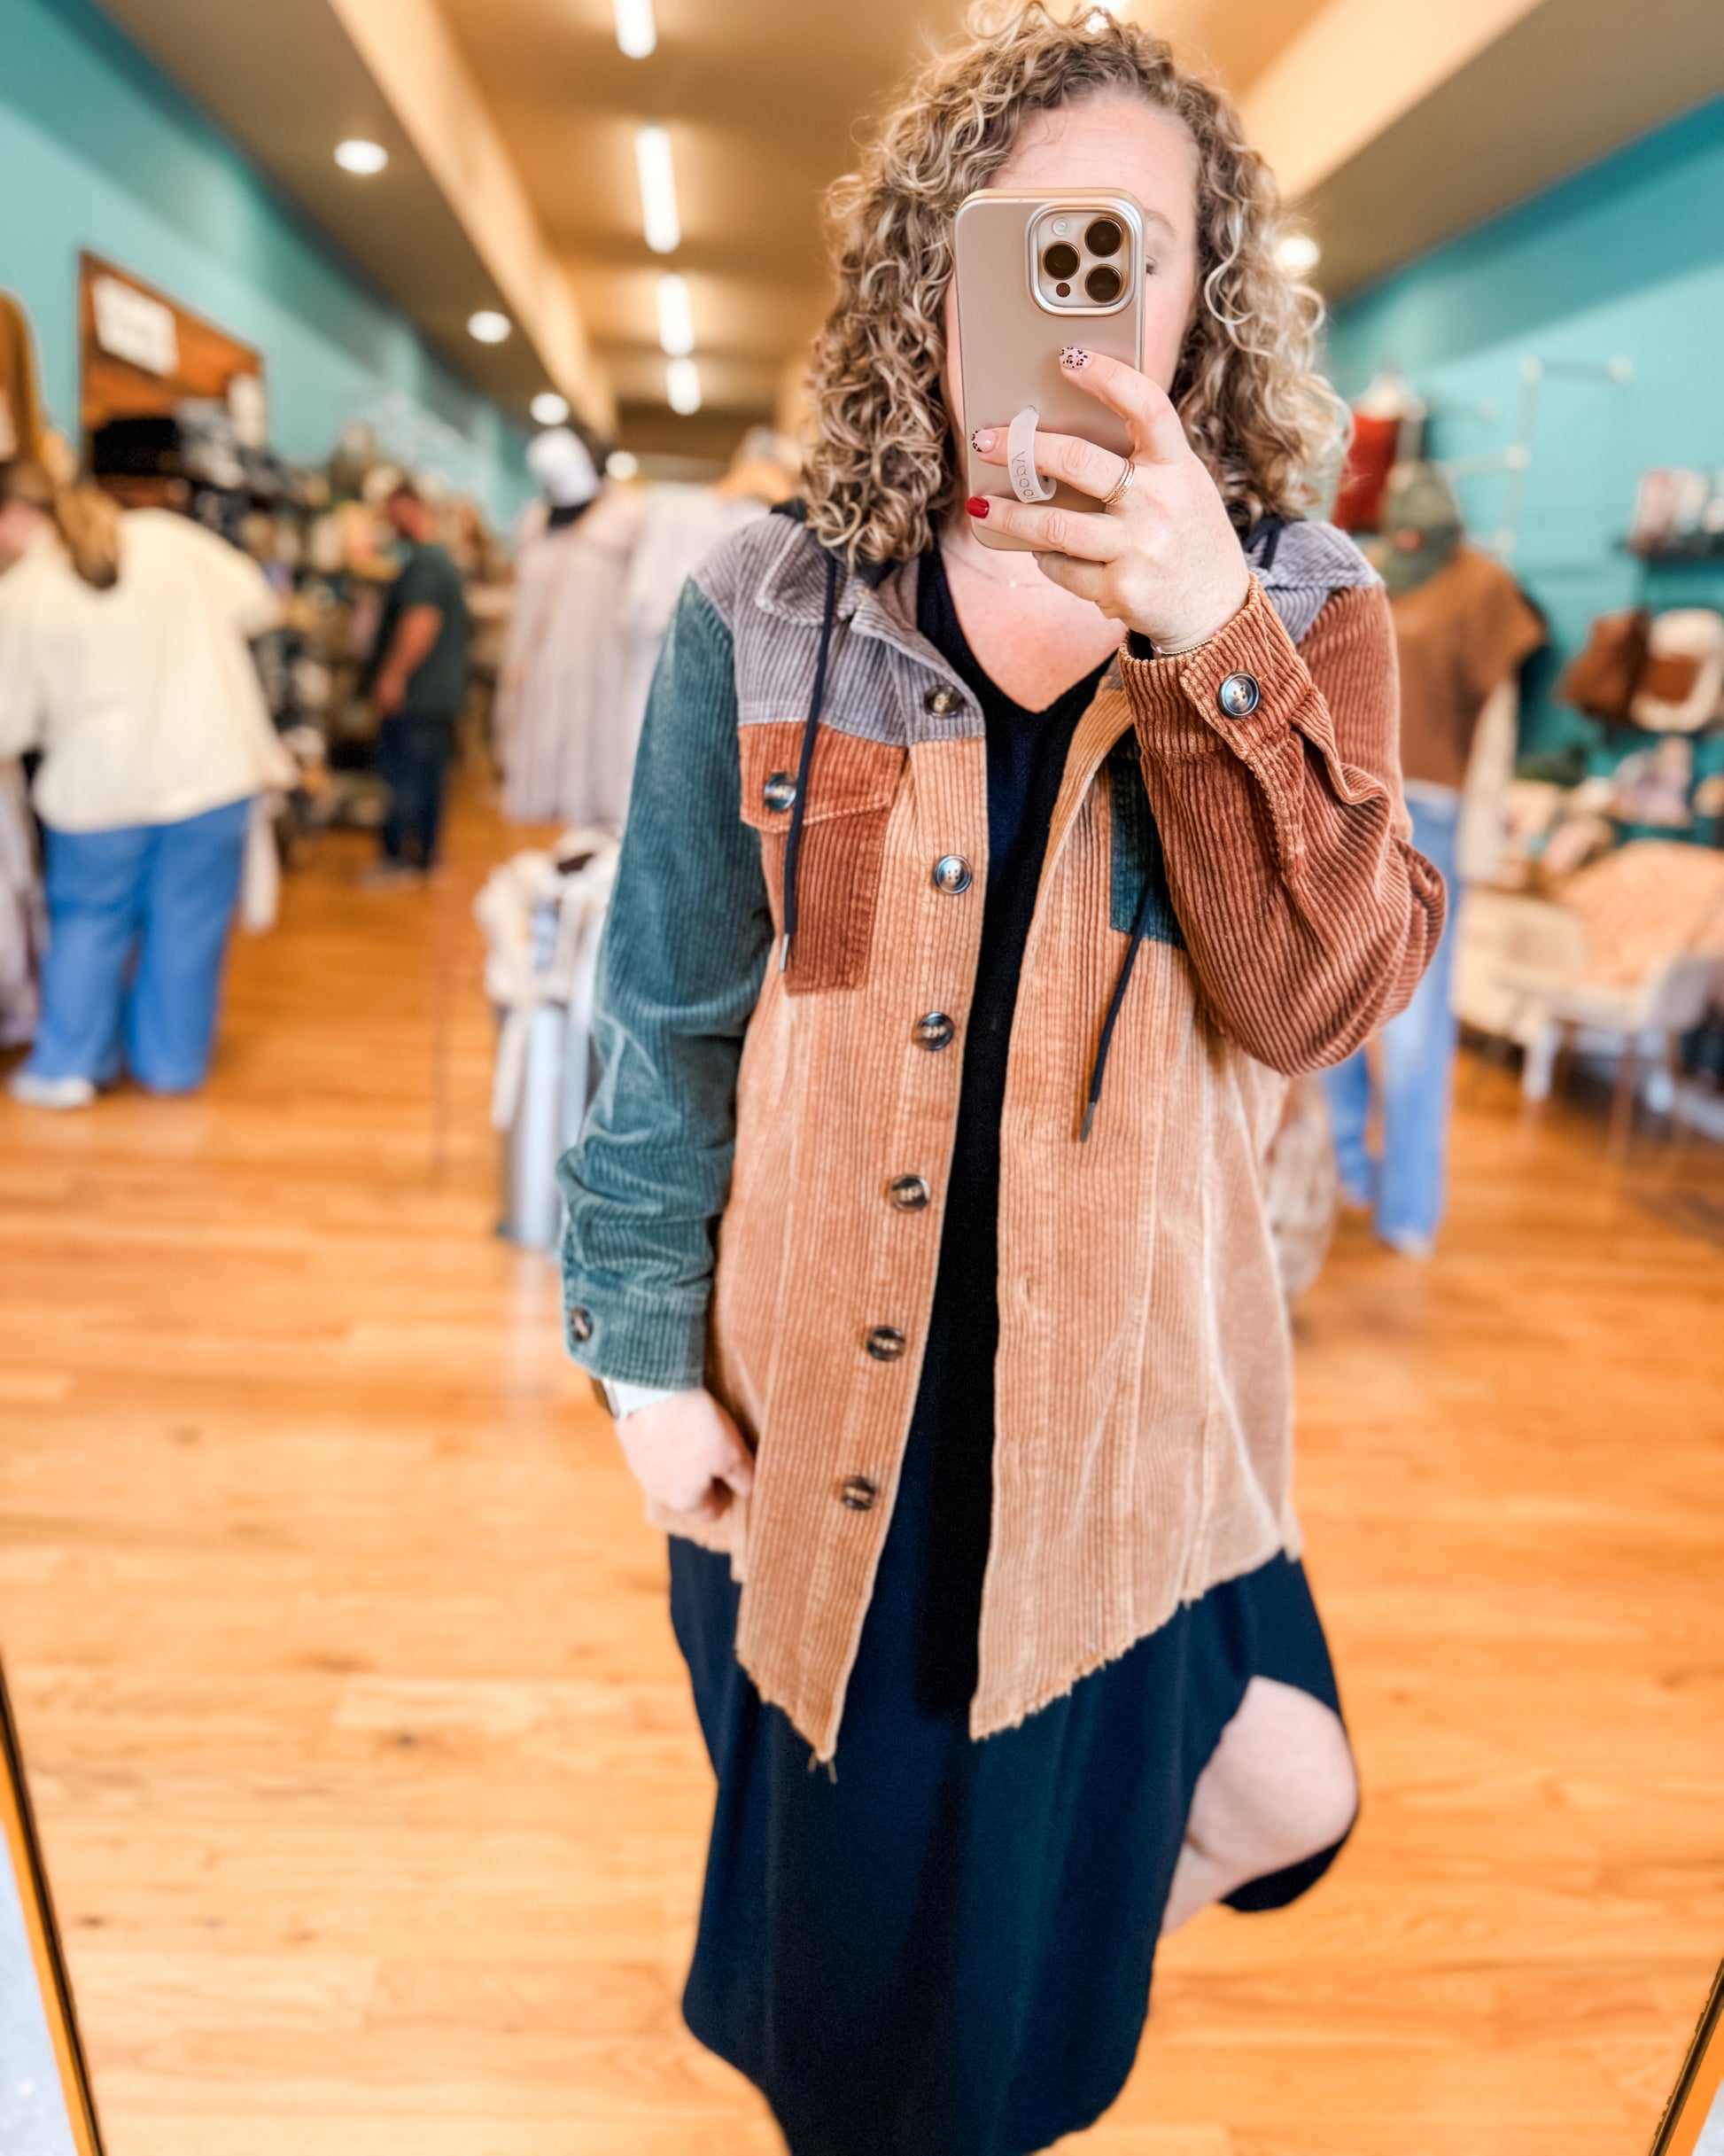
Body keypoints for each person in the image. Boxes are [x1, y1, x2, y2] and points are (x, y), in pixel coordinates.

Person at [560, 12, 1444, 2154]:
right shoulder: (773, 601)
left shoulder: (1303, 600)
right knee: (864, 1975)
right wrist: (638, 1361)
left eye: (1125, 244)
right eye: (1021, 238)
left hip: (1128, 1418)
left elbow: (1327, 996)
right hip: (826, 1409)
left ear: (1199, 298)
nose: (1072, 286)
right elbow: (667, 1011)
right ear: (932, 281)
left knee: (1242, 1809)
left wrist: (1204, 628)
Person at [0, 457, 286, 1109]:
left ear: (13, 517)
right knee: (189, 929)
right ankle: (171, 1065)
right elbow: (258, 601)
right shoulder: (168, 539)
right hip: (212, 774)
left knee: (88, 923)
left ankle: (69, 1067)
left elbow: (7, 724)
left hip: (97, 791)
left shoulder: (23, 593)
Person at [1323, 463, 1545, 1257]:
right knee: (1331, 996)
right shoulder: (1365, 569)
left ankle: (1410, 1207)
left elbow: (1502, 720)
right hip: (1350, 804)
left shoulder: (1484, 587)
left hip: (1436, 817)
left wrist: (1493, 830)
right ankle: (1341, 1172)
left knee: (1415, 1025)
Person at [362, 480, 471, 884]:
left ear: (410, 507)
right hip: (436, 695)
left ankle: (400, 860)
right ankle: (423, 858)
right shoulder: (438, 560)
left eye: (391, 510)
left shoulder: (425, 565)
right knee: (428, 777)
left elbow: (421, 623)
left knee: (406, 777)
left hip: (418, 695)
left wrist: (393, 675)